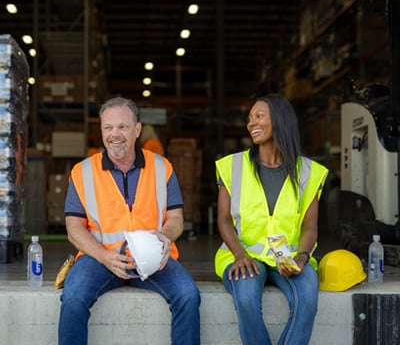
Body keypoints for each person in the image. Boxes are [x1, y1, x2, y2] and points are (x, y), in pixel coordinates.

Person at [58, 97, 201, 345]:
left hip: (153, 259)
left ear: (137, 130)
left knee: (188, 295)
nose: (115, 134)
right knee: (73, 296)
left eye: (122, 127)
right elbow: (74, 229)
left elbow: (176, 218)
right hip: (99, 258)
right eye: (108, 128)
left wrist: (166, 235)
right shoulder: (82, 172)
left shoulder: (162, 167)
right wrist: (104, 256)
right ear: (101, 131)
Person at [214, 94, 329, 345]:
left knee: (307, 298)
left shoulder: (308, 171)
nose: (251, 123)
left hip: (289, 256)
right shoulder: (233, 165)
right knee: (245, 298)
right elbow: (223, 219)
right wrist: (239, 254)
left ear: (279, 120)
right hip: (243, 255)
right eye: (249, 118)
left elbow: (310, 226)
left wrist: (302, 256)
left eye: (259, 116)